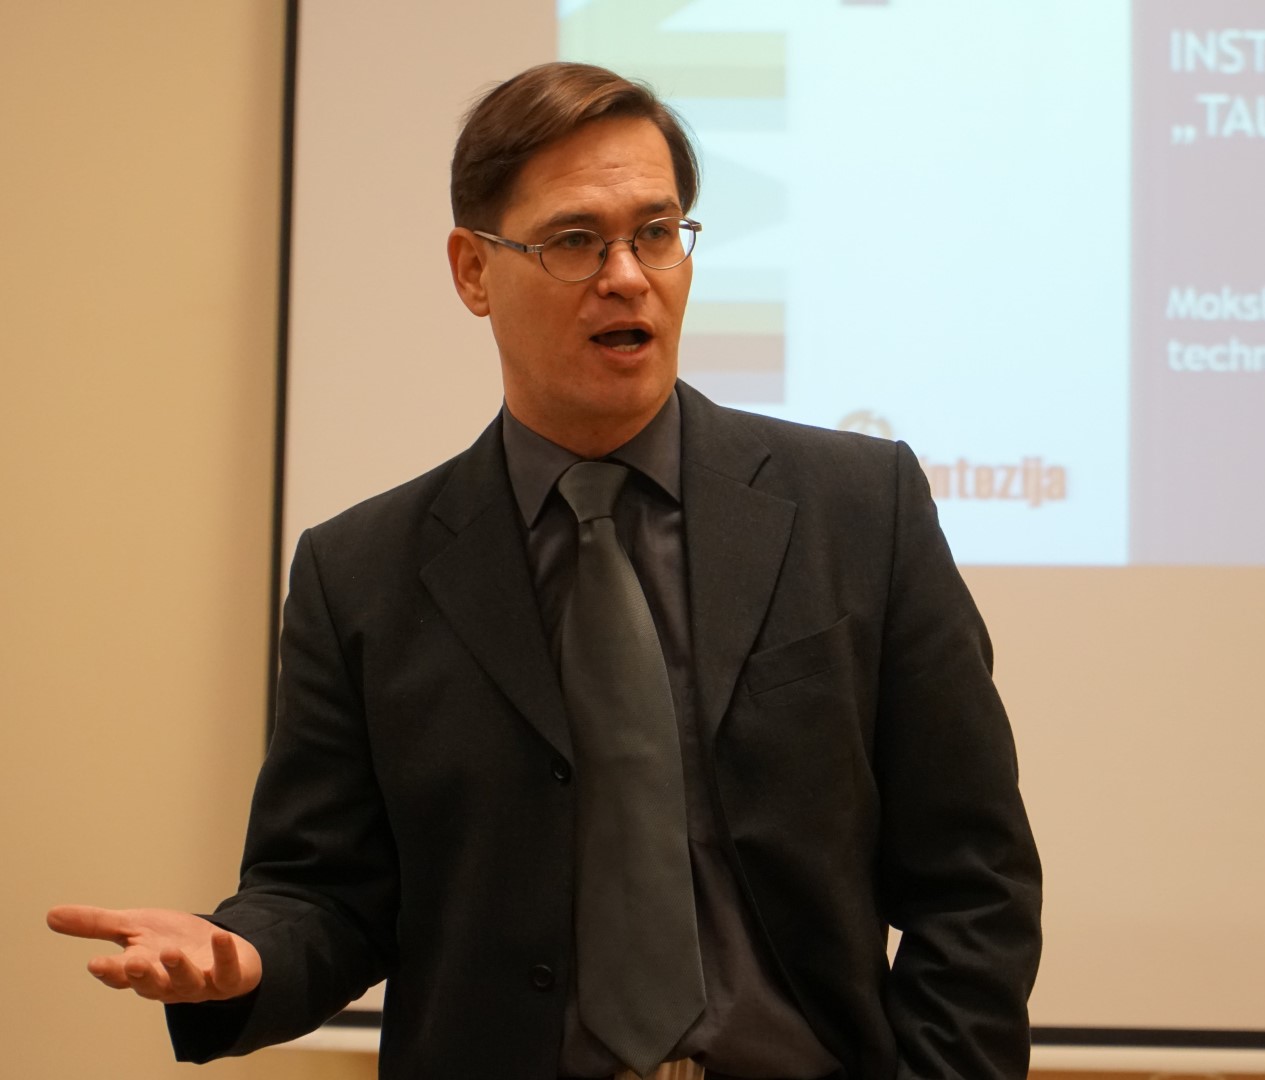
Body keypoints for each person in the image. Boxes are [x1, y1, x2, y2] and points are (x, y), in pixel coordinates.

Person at [48, 62, 1042, 1080]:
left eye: (656, 232)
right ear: (473, 271)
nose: (627, 276)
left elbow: (973, 875)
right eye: (575, 241)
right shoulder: (362, 575)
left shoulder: (858, 508)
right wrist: (245, 954)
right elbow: (326, 892)